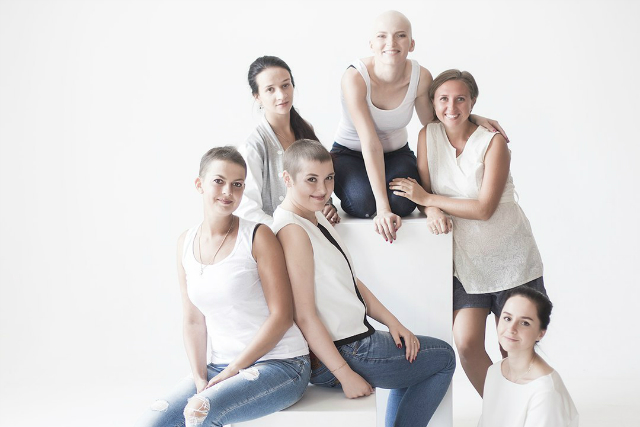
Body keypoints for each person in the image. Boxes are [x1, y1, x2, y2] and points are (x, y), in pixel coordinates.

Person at [272, 140, 456, 427]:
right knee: (443, 358)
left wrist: (393, 322)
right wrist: (344, 374)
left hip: (353, 341)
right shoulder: (293, 231)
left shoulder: (313, 215)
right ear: (287, 179)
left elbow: (350, 280)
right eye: (311, 180)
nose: (323, 189)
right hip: (343, 351)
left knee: (416, 357)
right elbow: (304, 316)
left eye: (329, 178)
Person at [389, 69, 544, 396]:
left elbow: (484, 208)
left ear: (473, 102)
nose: (452, 107)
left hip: (511, 260)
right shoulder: (427, 136)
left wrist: (428, 199)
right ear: (433, 103)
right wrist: (430, 208)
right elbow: (426, 194)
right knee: (466, 343)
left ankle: (529, 411)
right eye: (443, 99)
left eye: (461, 99)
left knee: (513, 348)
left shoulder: (493, 142)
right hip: (466, 263)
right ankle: (502, 409)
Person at [135, 147, 310, 427]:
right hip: (219, 366)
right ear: (199, 184)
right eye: (219, 181)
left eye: (237, 184)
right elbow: (193, 320)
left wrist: (234, 369)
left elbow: (282, 316)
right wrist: (199, 377)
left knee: (200, 412)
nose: (228, 191)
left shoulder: (258, 236)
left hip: (281, 363)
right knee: (151, 422)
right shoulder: (185, 243)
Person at [332, 10, 505, 242]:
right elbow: (370, 142)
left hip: (396, 153)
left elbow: (434, 121)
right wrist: (382, 209)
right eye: (382, 36)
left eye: (400, 35)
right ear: (371, 44)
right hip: (351, 153)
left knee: (403, 204)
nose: (391, 43)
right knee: (364, 204)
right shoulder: (354, 78)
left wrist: (472, 117)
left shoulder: (420, 76)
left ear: (412, 44)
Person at [237, 55, 340, 226]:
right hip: (277, 236)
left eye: (285, 85)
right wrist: (286, 230)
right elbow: (247, 210)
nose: (281, 95)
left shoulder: (305, 129)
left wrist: (327, 206)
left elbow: (320, 177)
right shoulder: (253, 146)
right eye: (270, 89)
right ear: (257, 96)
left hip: (312, 228)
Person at [479, 287, 579, 426]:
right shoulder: (494, 371)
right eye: (507, 318)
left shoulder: (545, 391)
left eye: (525, 323)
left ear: (541, 333)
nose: (511, 329)